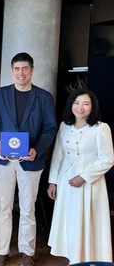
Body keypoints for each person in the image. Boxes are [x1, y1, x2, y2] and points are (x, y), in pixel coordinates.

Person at [0, 52, 57, 266]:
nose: (21, 73)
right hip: (4, 161)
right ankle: (2, 251)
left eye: (25, 69)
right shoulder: (0, 95)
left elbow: (50, 128)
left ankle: (27, 252)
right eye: (17, 69)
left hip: (31, 161)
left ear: (32, 70)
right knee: (4, 207)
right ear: (12, 71)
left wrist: (37, 149)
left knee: (28, 208)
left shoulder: (44, 97)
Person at [47, 88, 114, 263]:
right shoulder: (64, 126)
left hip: (90, 185)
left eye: (86, 103)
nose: (80, 107)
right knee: (69, 222)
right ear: (71, 105)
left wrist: (84, 176)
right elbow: (57, 155)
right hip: (65, 182)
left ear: (92, 107)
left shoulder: (100, 128)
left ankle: (87, 260)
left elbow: (107, 159)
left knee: (88, 223)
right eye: (77, 103)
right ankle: (72, 259)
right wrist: (52, 182)